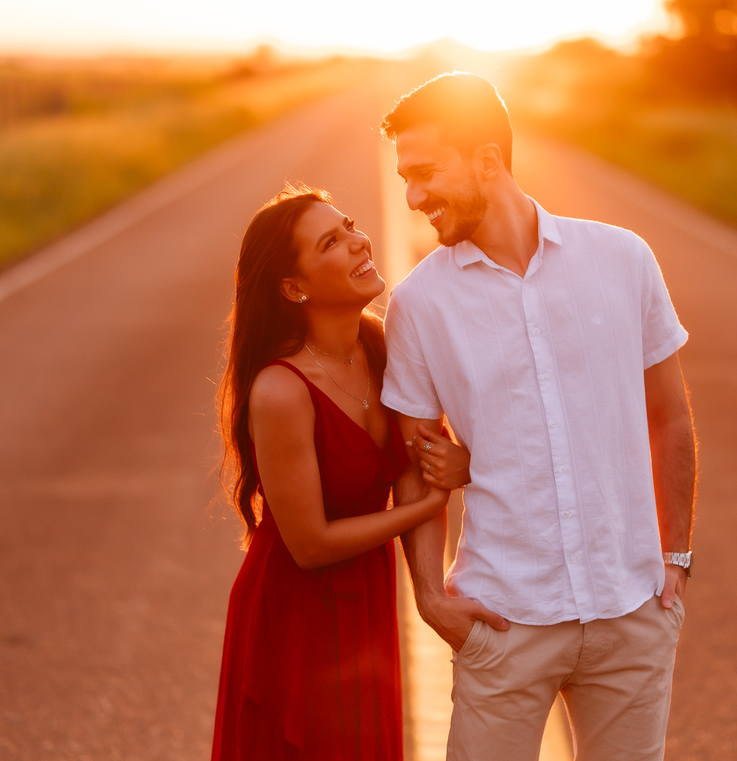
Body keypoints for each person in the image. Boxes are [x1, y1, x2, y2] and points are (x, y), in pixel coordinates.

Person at [380, 73, 698, 760]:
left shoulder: (622, 259)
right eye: (404, 177)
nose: (412, 196)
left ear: (487, 160)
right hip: (504, 621)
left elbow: (669, 418)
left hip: (631, 613)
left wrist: (676, 560)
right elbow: (414, 464)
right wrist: (431, 599)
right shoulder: (419, 305)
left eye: (426, 172)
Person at [211, 184, 472, 761]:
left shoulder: (381, 346)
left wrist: (464, 465)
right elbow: (309, 544)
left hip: (365, 600)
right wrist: (425, 507)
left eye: (350, 225)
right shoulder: (281, 389)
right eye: (332, 241)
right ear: (294, 286)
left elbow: (431, 455)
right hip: (295, 615)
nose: (359, 241)